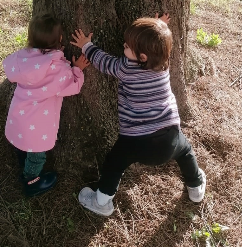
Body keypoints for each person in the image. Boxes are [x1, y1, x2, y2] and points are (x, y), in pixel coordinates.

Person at [70, 13, 206, 216]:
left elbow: (104, 62)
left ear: (142, 57)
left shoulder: (126, 68)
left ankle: (101, 202)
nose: (123, 47)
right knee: (186, 152)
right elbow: (159, 44)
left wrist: (87, 46)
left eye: (127, 47)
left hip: (134, 142)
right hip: (170, 138)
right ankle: (195, 187)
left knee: (114, 165)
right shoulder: (163, 64)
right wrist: (159, 26)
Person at [3, 14, 90, 197]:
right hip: (37, 125)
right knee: (37, 155)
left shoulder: (22, 59)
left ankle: (23, 161)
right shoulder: (58, 69)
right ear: (59, 39)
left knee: (23, 145)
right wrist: (77, 69)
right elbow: (72, 86)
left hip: (19, 116)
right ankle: (31, 181)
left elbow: (38, 66)